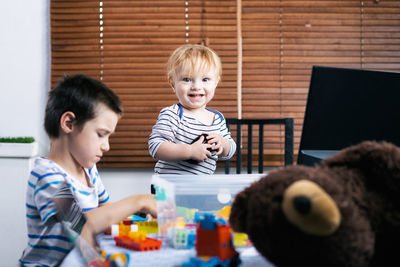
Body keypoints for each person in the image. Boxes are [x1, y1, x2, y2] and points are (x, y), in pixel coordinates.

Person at [20, 74, 157, 267]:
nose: (106, 146)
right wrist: (140, 201)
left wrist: (142, 220)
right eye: (101, 134)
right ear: (69, 123)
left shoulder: (88, 170)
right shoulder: (47, 176)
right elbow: (83, 225)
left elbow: (106, 212)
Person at [148, 44, 236, 175]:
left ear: (216, 83)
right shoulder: (173, 114)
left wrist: (223, 143)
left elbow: (230, 151)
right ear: (172, 84)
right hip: (169, 187)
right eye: (187, 79)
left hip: (201, 187)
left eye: (205, 79)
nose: (196, 86)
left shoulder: (217, 118)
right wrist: (189, 151)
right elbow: (156, 147)